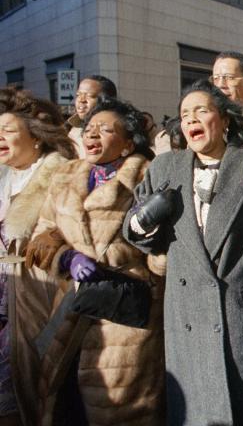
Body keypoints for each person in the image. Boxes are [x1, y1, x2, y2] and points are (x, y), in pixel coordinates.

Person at [124, 80, 243, 425]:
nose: (192, 119)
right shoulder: (164, 168)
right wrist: (142, 220)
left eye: (202, 110)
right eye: (185, 114)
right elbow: (140, 237)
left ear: (224, 120)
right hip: (186, 320)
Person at [24, 97, 164, 425]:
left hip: (126, 312)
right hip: (73, 304)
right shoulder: (65, 176)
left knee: (123, 405)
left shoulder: (149, 178)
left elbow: (163, 253)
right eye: (89, 129)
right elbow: (42, 239)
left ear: (129, 144)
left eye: (105, 130)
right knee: (63, 399)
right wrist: (68, 257)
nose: (93, 134)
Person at [0, 88, 76, 426]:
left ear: (36, 137)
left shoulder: (63, 175)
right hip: (3, 305)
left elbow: (83, 231)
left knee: (31, 398)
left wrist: (56, 234)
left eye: (8, 131)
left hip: (36, 303)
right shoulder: (3, 178)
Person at [67, 75, 117, 158]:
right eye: (78, 95)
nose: (81, 100)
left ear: (106, 101)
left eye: (89, 96)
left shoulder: (118, 131)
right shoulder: (71, 131)